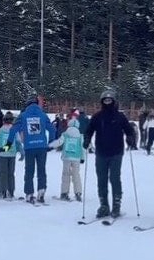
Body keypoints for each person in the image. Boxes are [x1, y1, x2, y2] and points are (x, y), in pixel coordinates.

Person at [84, 88, 137, 219]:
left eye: (109, 100)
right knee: (101, 179)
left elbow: (129, 130)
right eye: (105, 100)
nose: (107, 103)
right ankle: (104, 205)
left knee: (114, 178)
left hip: (116, 152)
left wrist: (130, 138)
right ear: (102, 102)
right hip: (101, 152)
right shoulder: (97, 116)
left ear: (114, 101)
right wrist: (87, 139)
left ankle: (116, 204)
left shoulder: (120, 116)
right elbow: (89, 130)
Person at [6, 96, 57, 203]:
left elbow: (13, 130)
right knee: (41, 170)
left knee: (29, 171)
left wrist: (8, 145)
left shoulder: (23, 116)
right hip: (42, 147)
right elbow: (52, 129)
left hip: (29, 147)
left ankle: (29, 193)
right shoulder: (43, 115)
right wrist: (50, 143)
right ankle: (41, 190)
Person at [54, 119, 85, 202]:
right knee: (76, 175)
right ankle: (78, 193)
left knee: (66, 175)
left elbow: (59, 142)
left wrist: (50, 145)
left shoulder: (65, 134)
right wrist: (83, 158)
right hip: (76, 158)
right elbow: (83, 147)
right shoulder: (80, 136)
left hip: (67, 157)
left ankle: (64, 193)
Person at [0, 113, 16, 199]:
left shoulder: (0, 131)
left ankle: (2, 192)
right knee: (11, 174)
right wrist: (21, 152)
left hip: (2, 154)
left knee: (3, 174)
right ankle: (11, 191)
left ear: (3, 121)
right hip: (12, 154)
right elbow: (18, 142)